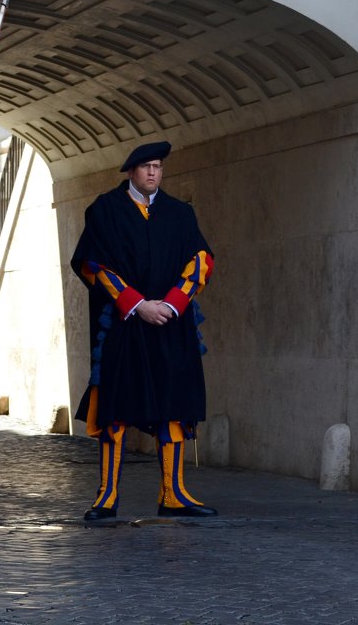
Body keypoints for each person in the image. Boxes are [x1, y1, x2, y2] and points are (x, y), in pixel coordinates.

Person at [71, 140, 216, 522]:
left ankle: (174, 493)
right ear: (131, 171)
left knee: (173, 406)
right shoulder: (106, 210)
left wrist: (171, 304)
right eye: (146, 167)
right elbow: (94, 264)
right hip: (125, 324)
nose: (153, 173)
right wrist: (137, 305)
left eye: (158, 167)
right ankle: (107, 495)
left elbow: (200, 260)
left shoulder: (180, 214)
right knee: (116, 407)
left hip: (172, 324)